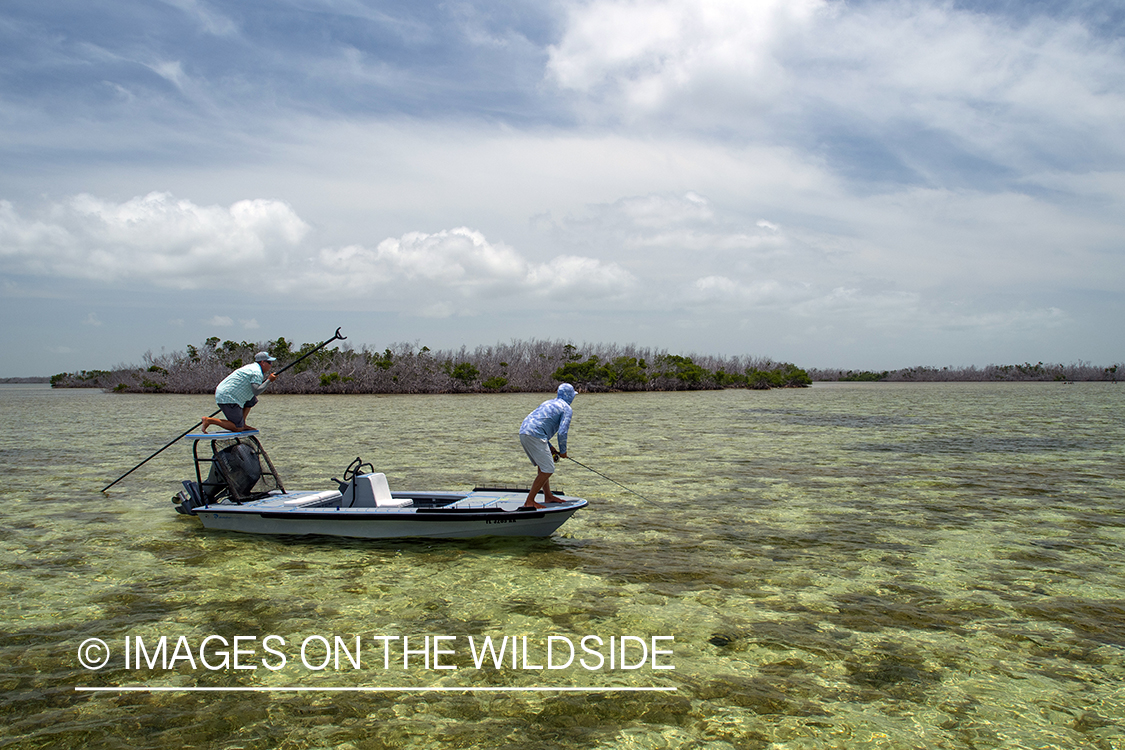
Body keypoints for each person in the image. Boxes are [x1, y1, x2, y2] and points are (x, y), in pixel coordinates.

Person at [518, 383, 576, 509]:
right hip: (535, 435)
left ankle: (548, 496)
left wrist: (550, 447)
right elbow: (562, 432)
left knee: (543, 465)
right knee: (549, 469)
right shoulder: (566, 408)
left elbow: (539, 424)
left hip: (524, 432)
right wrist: (563, 451)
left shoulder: (548, 403)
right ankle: (529, 501)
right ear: (570, 396)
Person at [201, 352, 278, 433]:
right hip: (227, 397)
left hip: (229, 393)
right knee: (238, 428)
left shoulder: (251, 367)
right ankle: (209, 420)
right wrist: (269, 380)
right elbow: (256, 391)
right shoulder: (256, 372)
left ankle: (242, 423)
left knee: (252, 400)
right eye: (269, 362)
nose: (271, 365)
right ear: (262, 362)